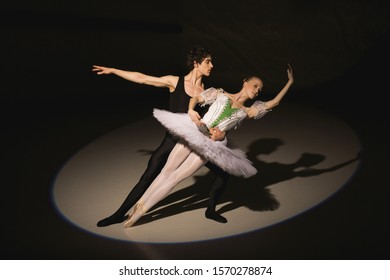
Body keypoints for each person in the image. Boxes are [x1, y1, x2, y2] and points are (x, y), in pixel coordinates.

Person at [123, 64, 294, 228]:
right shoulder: (220, 93)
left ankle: (141, 212)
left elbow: (274, 103)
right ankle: (139, 205)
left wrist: (290, 83)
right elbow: (196, 98)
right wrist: (191, 110)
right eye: (255, 85)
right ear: (245, 82)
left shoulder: (246, 111)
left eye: (260, 89)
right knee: (166, 171)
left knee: (176, 177)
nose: (257, 90)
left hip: (212, 144)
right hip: (195, 131)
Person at [92, 46, 231, 226]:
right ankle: (119, 214)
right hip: (172, 142)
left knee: (224, 173)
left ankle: (210, 210)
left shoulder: (207, 92)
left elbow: (217, 114)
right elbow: (142, 78)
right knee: (148, 177)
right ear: (196, 63)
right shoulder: (175, 82)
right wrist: (113, 70)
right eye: (207, 62)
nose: (212, 65)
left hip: (195, 145)